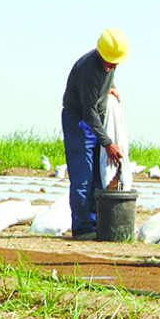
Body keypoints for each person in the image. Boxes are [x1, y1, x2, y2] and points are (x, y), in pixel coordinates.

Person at [61, 29, 128, 241]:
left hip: (96, 120)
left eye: (114, 63)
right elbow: (89, 113)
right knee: (83, 177)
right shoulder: (88, 69)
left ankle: (96, 223)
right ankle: (81, 229)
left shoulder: (111, 62)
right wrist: (108, 143)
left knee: (98, 176)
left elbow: (106, 78)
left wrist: (112, 87)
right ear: (100, 52)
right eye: (108, 62)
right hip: (79, 120)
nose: (111, 66)